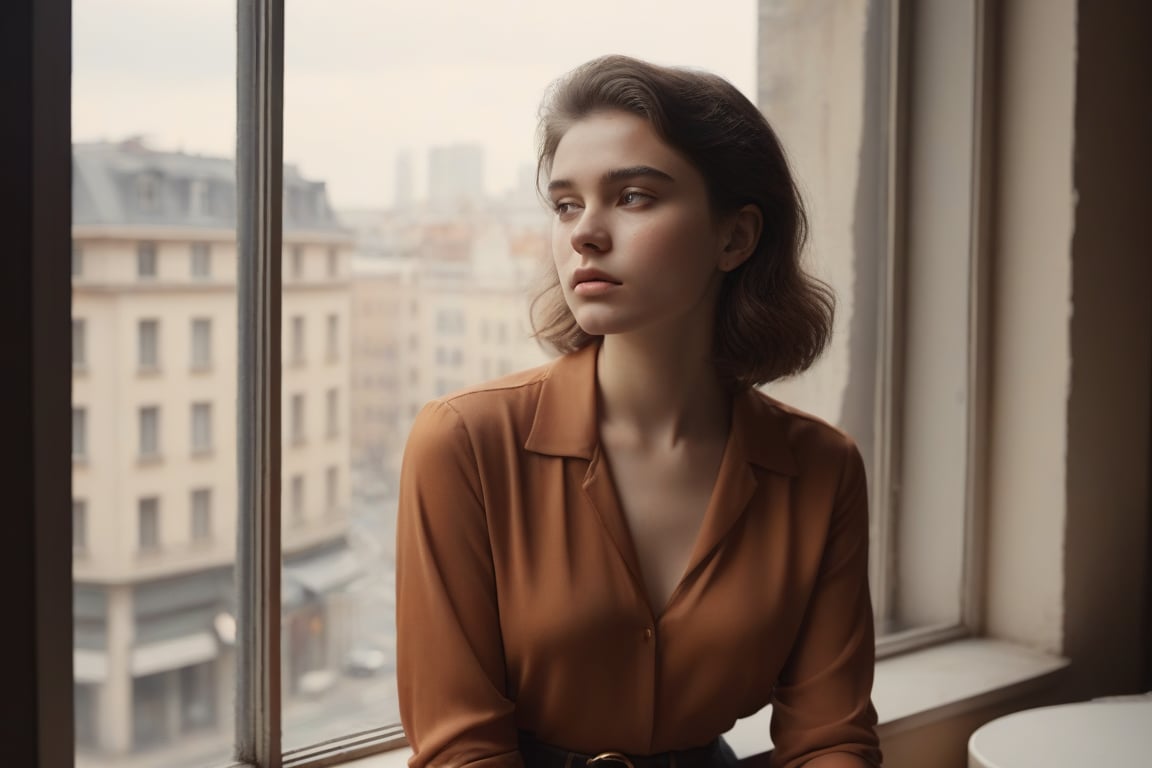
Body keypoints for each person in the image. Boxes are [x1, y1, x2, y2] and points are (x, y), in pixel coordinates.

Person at [396, 55, 882, 768]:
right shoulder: (464, 443)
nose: (585, 233)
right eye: (566, 204)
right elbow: (457, 748)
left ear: (736, 237)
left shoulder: (821, 469)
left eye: (632, 197)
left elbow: (831, 740)